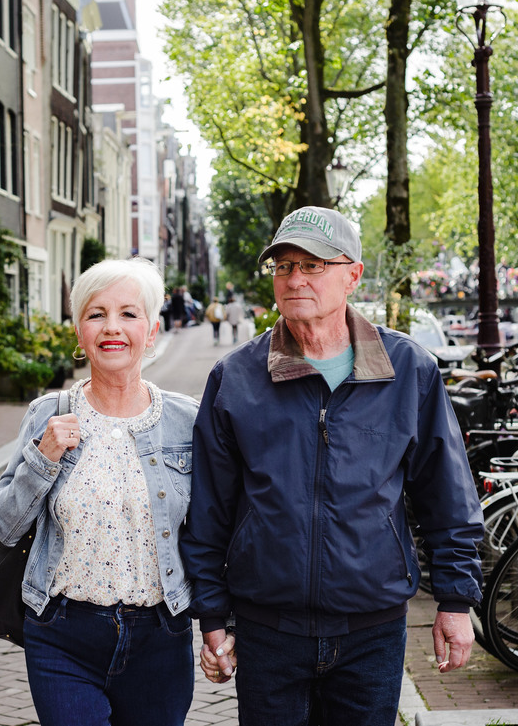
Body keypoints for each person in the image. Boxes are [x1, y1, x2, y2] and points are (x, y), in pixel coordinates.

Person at [179, 206, 484, 726]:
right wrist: (212, 615)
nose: (294, 279)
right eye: (283, 267)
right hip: (268, 630)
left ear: (353, 275)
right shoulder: (236, 377)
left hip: (372, 631)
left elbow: (447, 496)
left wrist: (456, 600)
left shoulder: (409, 370)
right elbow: (209, 508)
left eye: (313, 265)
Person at [0, 257, 200, 726]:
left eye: (128, 313)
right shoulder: (47, 414)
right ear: (79, 332)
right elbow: (3, 522)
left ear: (152, 329)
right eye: (96, 313)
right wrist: (42, 459)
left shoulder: (187, 421)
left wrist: (225, 624)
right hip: (63, 633)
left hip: (160, 637)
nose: (112, 327)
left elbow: (212, 533)